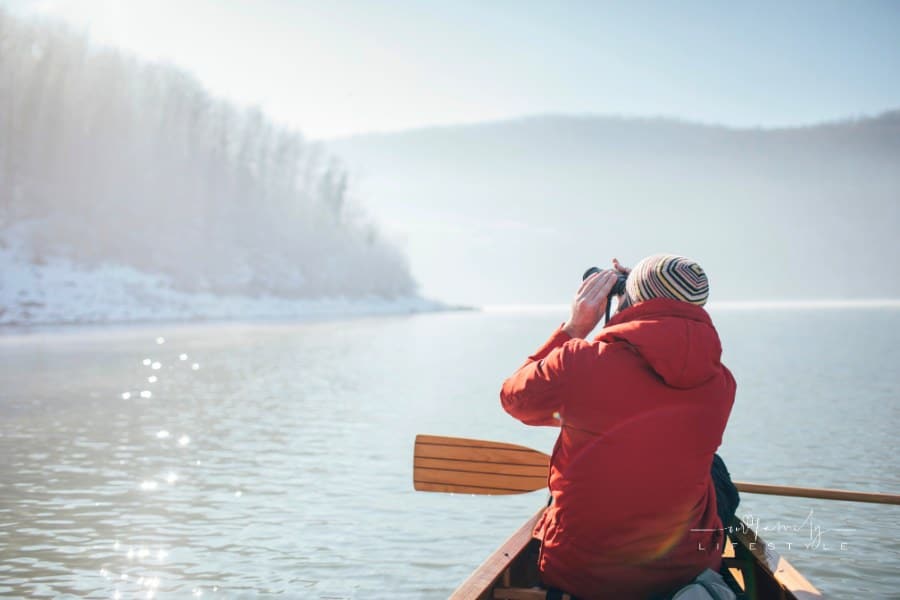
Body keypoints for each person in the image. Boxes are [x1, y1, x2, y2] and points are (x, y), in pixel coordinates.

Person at [500, 254, 739, 599]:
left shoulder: (580, 363)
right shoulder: (722, 383)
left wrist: (575, 328)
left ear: (633, 299)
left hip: (579, 574)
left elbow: (514, 399)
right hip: (681, 571)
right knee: (713, 470)